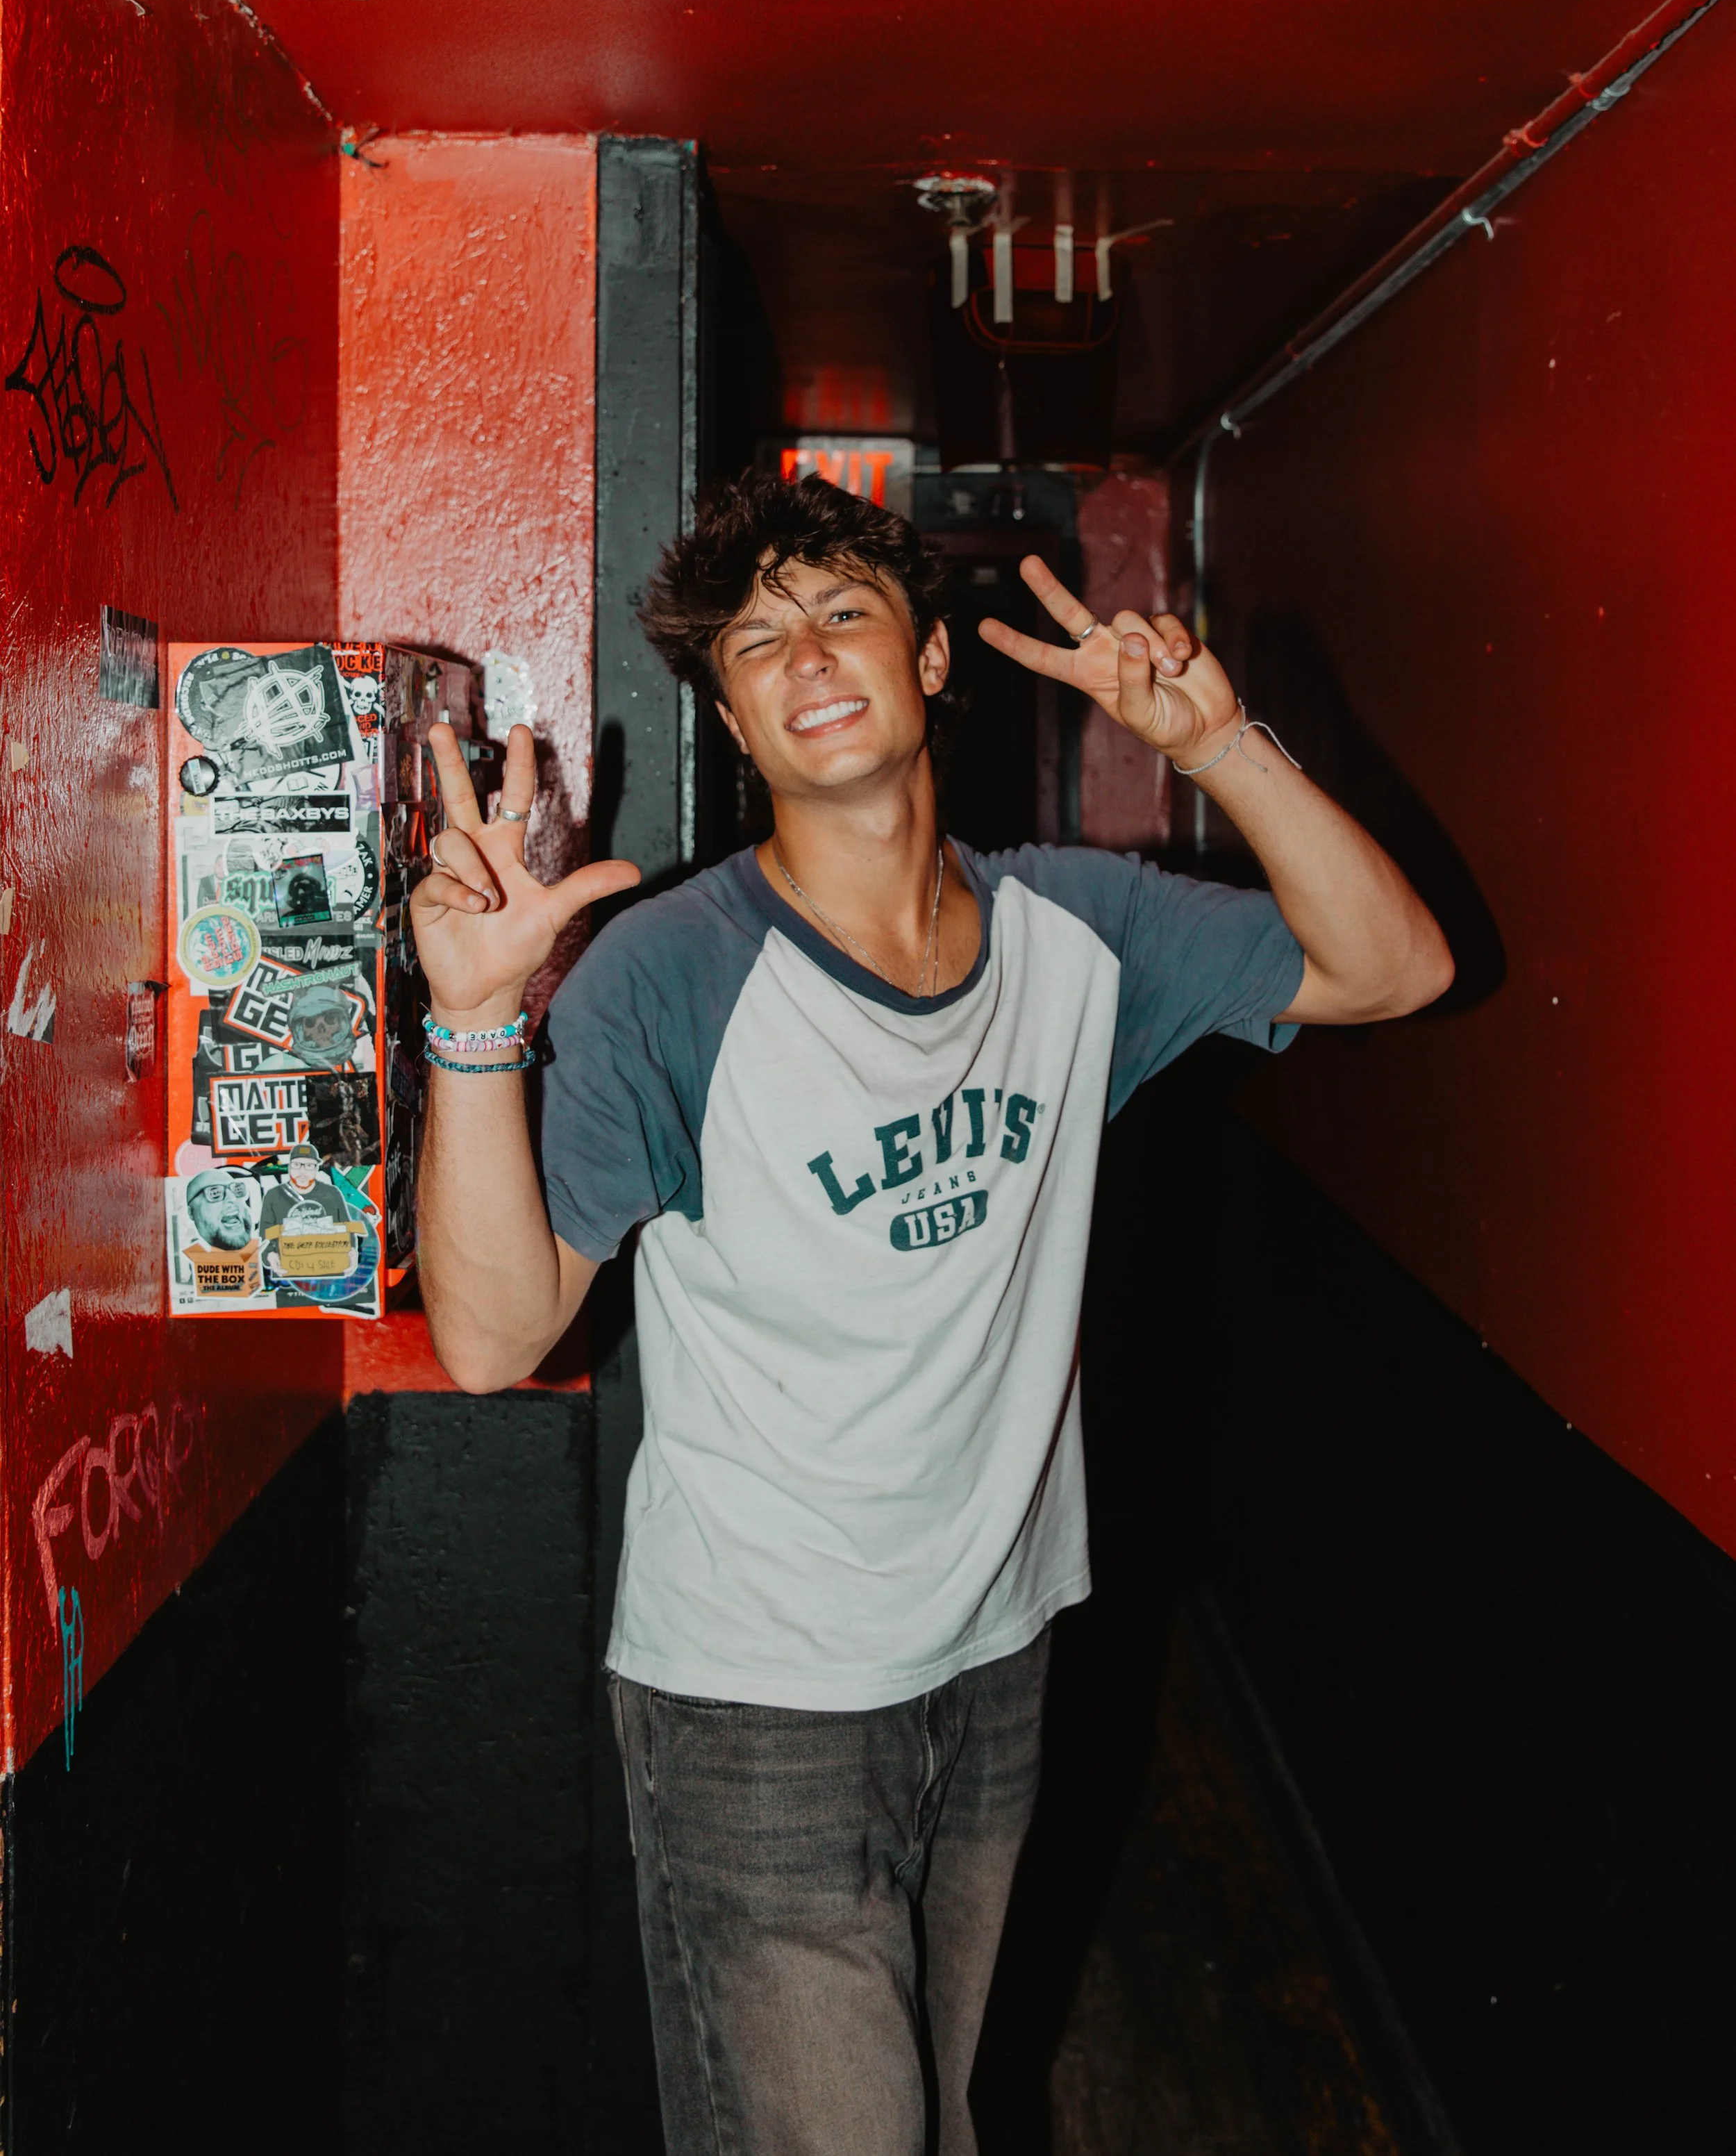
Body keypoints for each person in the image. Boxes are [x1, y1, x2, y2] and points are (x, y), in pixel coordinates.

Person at [412, 467, 1451, 2156]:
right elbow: (492, 1336)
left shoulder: (1075, 930)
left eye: (841, 613)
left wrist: (1212, 747)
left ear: (930, 663)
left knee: (948, 2122)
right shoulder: (667, 978)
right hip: (758, 1701)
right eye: (756, 642)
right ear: (733, 715)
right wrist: (469, 1034)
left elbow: (1389, 968)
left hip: (995, 1654)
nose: (804, 655)